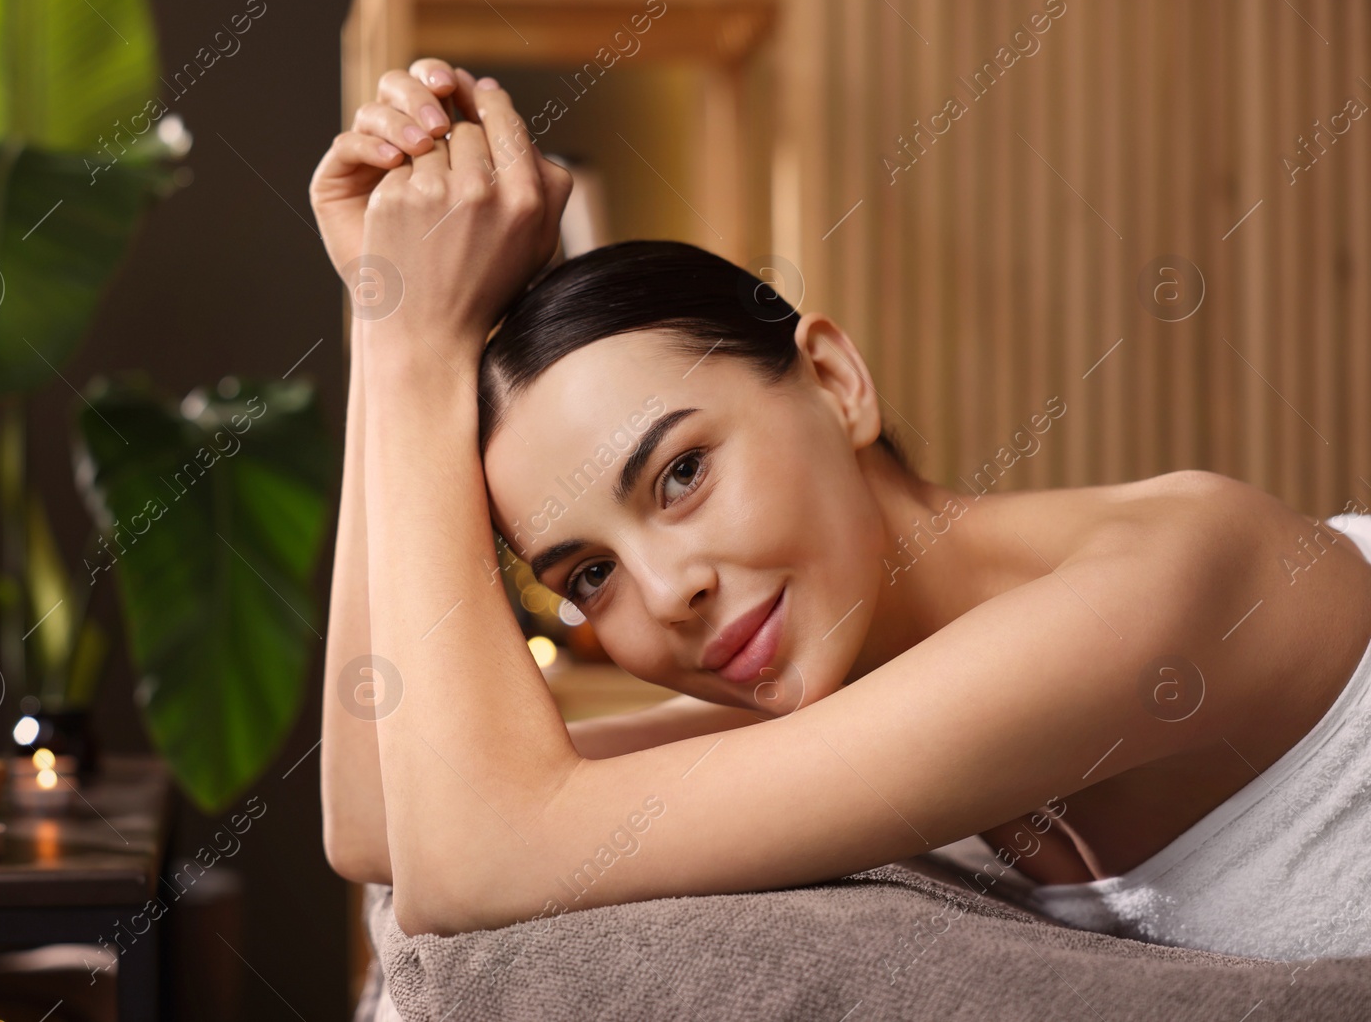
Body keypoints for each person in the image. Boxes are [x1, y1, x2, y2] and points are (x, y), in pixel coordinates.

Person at [308, 58, 1371, 957]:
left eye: (680, 473)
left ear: (833, 380)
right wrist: (385, 317)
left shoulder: (1167, 579)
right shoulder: (866, 698)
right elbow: (379, 827)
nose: (669, 589)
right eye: (589, 574)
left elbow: (482, 856)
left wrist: (417, 352)